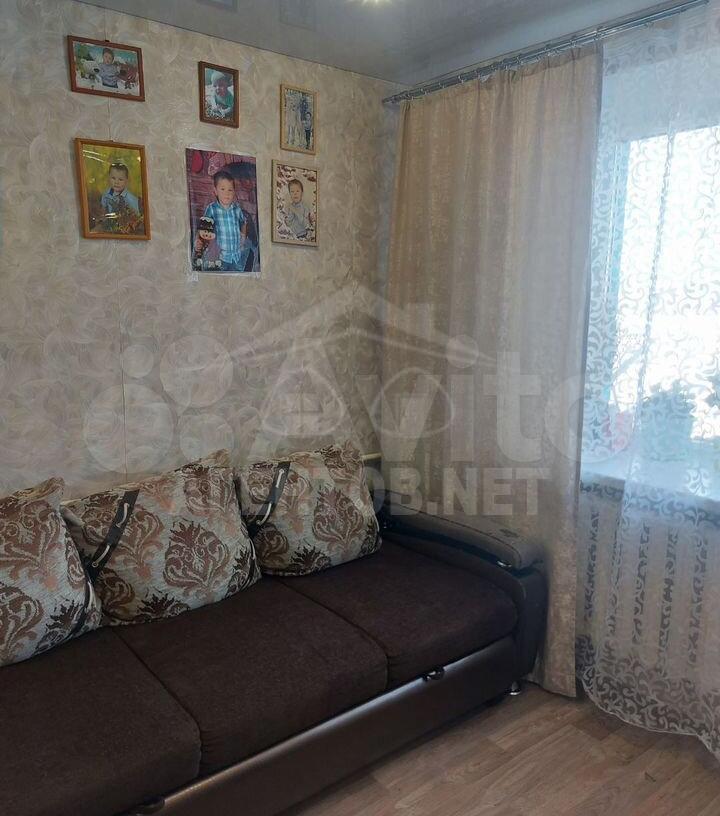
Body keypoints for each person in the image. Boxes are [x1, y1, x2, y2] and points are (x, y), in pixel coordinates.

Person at [196, 170, 248, 271]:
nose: (227, 193)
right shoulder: (212, 208)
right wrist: (199, 241)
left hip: (237, 257)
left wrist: (242, 239)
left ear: (234, 192)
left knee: (238, 278)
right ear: (215, 191)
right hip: (221, 257)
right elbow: (203, 227)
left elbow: (243, 223)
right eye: (223, 189)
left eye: (230, 190)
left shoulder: (237, 209)